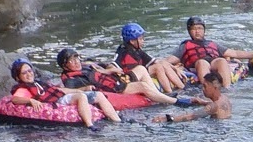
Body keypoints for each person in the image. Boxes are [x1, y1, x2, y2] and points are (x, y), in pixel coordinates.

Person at [57, 46, 185, 108]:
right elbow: (69, 91)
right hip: (114, 89)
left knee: (141, 69)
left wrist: (108, 71)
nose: (76, 62)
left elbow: (109, 70)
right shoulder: (70, 79)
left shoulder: (87, 66)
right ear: (65, 65)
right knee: (142, 85)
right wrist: (85, 89)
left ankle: (155, 95)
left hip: (117, 80)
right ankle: (174, 101)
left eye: (77, 59)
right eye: (72, 61)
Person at [8, 57, 114, 126]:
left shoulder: (38, 83)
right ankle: (89, 126)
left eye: (29, 71)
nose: (29, 74)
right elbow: (15, 99)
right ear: (18, 77)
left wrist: (80, 89)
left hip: (61, 97)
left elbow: (58, 90)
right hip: (57, 103)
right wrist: (31, 101)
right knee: (81, 97)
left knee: (99, 95)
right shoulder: (23, 88)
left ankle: (116, 120)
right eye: (24, 73)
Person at [116, 23, 190, 95]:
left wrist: (175, 69)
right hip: (129, 78)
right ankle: (169, 92)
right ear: (132, 41)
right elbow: (113, 65)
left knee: (161, 64)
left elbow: (157, 61)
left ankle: (182, 88)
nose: (143, 41)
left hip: (141, 73)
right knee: (157, 67)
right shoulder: (122, 52)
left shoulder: (137, 51)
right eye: (141, 39)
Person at [178, 16, 240, 89]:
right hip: (197, 66)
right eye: (194, 29)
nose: (197, 31)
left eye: (200, 28)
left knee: (221, 61)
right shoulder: (185, 45)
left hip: (214, 64)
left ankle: (228, 89)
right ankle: (208, 90)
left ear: (204, 30)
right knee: (202, 63)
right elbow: (173, 58)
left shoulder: (212, 44)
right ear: (189, 31)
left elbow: (235, 53)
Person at [156, 74, 231, 123]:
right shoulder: (224, 98)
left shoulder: (213, 107)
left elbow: (191, 116)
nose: (203, 89)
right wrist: (202, 102)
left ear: (214, 87)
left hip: (216, 132)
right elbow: (216, 107)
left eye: (205, 86)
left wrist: (168, 119)